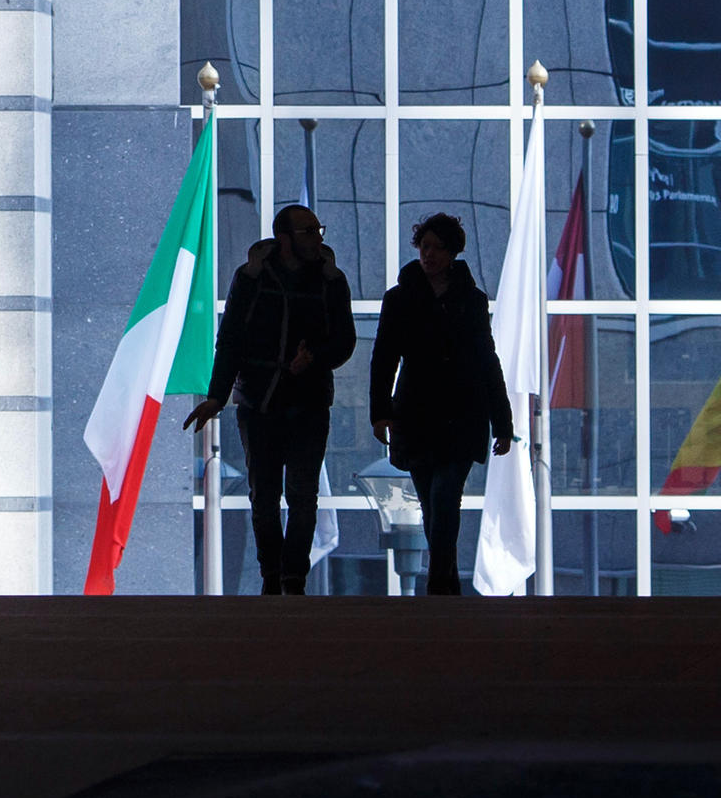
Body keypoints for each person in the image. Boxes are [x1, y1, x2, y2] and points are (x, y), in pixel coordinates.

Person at [182, 203, 354, 594]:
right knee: (264, 495)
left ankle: (294, 577)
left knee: (303, 493)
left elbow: (344, 341)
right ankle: (271, 575)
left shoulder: (330, 280)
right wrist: (217, 396)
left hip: (310, 401)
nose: (317, 238)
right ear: (285, 237)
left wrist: (315, 359)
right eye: (308, 231)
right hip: (259, 401)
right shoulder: (252, 278)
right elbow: (229, 341)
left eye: (318, 230)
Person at [371, 211, 519, 596]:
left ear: (453, 252)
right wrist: (380, 412)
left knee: (444, 496)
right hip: (416, 415)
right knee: (432, 503)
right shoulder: (400, 299)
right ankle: (447, 583)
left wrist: (503, 424)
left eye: (437, 247)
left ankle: (439, 584)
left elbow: (488, 361)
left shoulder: (471, 301)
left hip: (461, 414)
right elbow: (384, 357)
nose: (428, 254)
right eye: (424, 247)